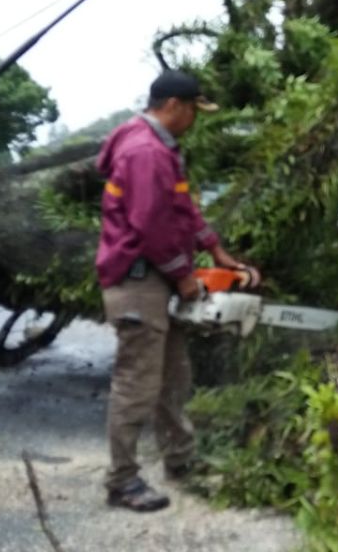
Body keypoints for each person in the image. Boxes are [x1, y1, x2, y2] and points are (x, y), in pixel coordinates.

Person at [95, 70, 260, 512]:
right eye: (192, 111)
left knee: (174, 376)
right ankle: (122, 481)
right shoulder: (145, 151)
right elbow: (150, 224)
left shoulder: (160, 149)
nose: (194, 120)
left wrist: (215, 250)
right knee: (136, 382)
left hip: (155, 277)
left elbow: (182, 207)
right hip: (138, 279)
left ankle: (180, 459)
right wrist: (183, 275)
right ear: (173, 105)